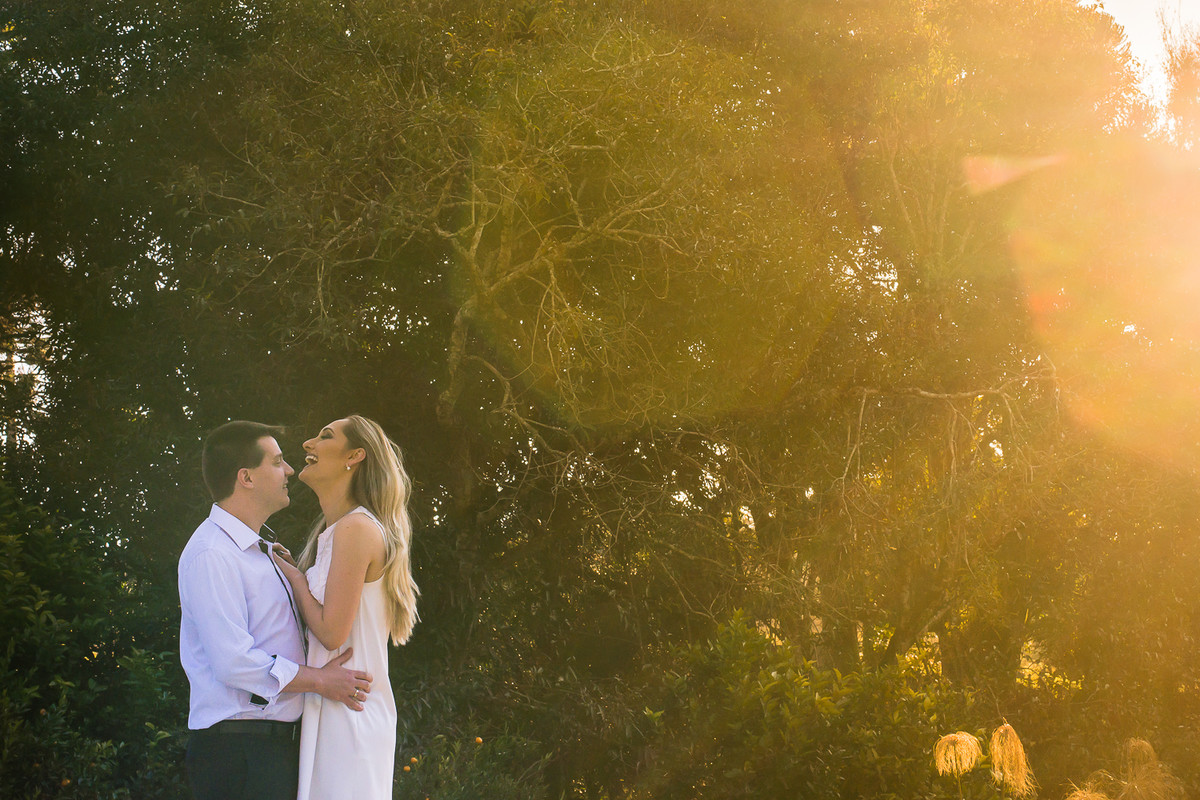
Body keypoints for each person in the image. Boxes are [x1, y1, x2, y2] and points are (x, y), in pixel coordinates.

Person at [178, 421, 374, 800]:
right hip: (239, 754)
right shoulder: (211, 554)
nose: (288, 471)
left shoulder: (263, 551)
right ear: (246, 478)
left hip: (272, 750)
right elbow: (233, 663)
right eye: (278, 461)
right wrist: (320, 681)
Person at [269, 415, 419, 800]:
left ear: (354, 456)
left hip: (351, 712)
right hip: (336, 704)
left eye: (324, 436)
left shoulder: (356, 529)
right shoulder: (338, 531)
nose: (307, 444)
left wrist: (297, 581)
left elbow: (333, 631)